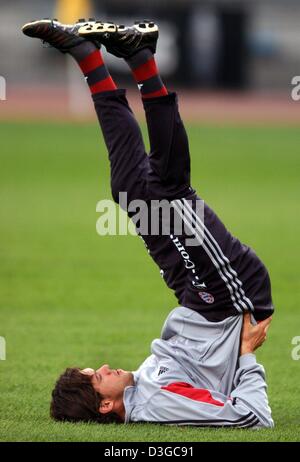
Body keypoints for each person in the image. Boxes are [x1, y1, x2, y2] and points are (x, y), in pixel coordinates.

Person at [22, 19, 274, 428]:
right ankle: (109, 60)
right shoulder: (154, 403)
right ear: (105, 406)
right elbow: (253, 418)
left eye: (94, 369)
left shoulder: (141, 386)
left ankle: (131, 58)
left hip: (196, 298)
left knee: (135, 189)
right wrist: (246, 353)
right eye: (97, 377)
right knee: (165, 194)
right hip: (231, 299)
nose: (103, 366)